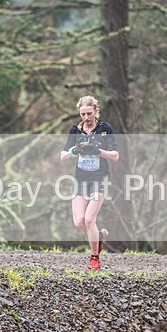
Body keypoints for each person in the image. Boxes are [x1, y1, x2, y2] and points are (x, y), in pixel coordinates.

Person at [60, 96, 119, 270]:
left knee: (89, 219)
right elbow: (63, 156)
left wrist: (98, 151)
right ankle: (98, 237)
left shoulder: (104, 129)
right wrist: (74, 150)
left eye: (89, 113)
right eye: (83, 114)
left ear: (96, 111)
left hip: (100, 178)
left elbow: (115, 155)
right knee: (79, 222)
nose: (86, 117)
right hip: (81, 179)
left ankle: (94, 259)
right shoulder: (75, 130)